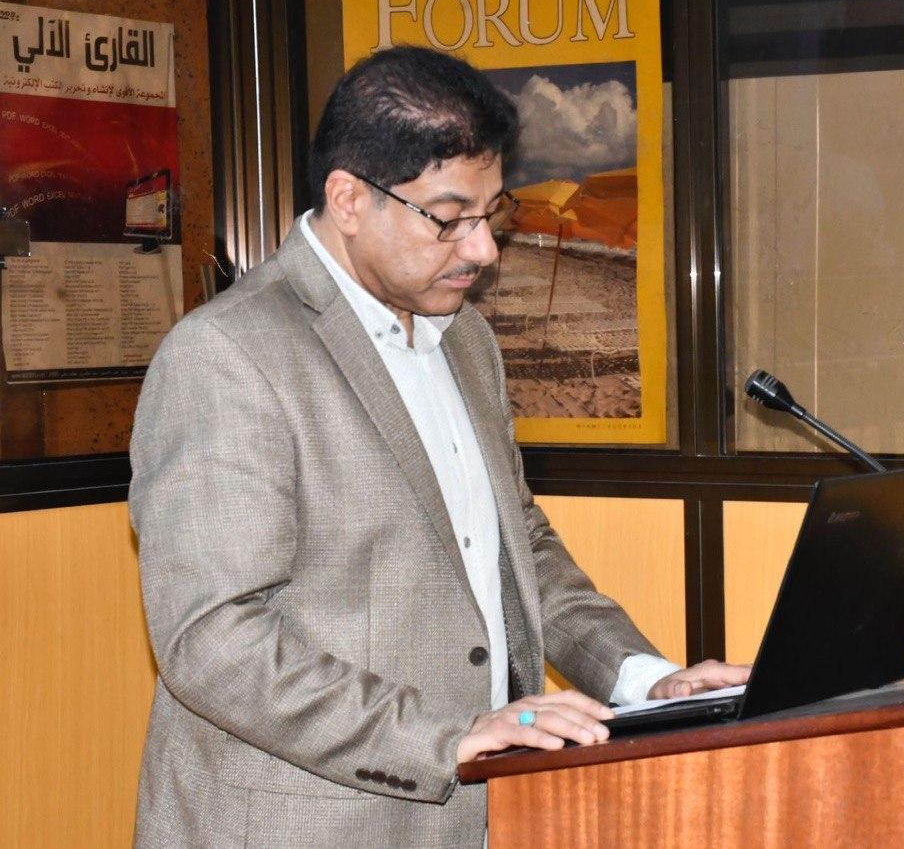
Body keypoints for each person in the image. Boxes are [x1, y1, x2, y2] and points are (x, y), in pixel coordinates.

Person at [128, 45, 748, 847]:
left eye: (492, 213)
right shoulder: (229, 355)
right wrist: (441, 738)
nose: (483, 250)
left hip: (469, 819)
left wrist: (643, 679)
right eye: (449, 218)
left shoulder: (466, 339)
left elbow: (515, 545)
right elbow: (212, 639)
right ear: (349, 199)